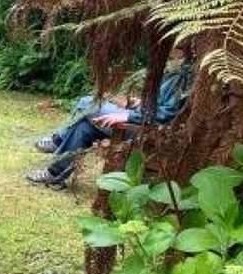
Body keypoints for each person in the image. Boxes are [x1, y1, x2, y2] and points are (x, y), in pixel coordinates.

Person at [26, 60, 193, 189]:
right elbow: (161, 105)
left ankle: (57, 140)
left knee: (87, 102)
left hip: (144, 129)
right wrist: (138, 104)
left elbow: (167, 114)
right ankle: (54, 174)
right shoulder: (180, 69)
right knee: (84, 127)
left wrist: (128, 116)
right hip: (139, 118)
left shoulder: (187, 74)